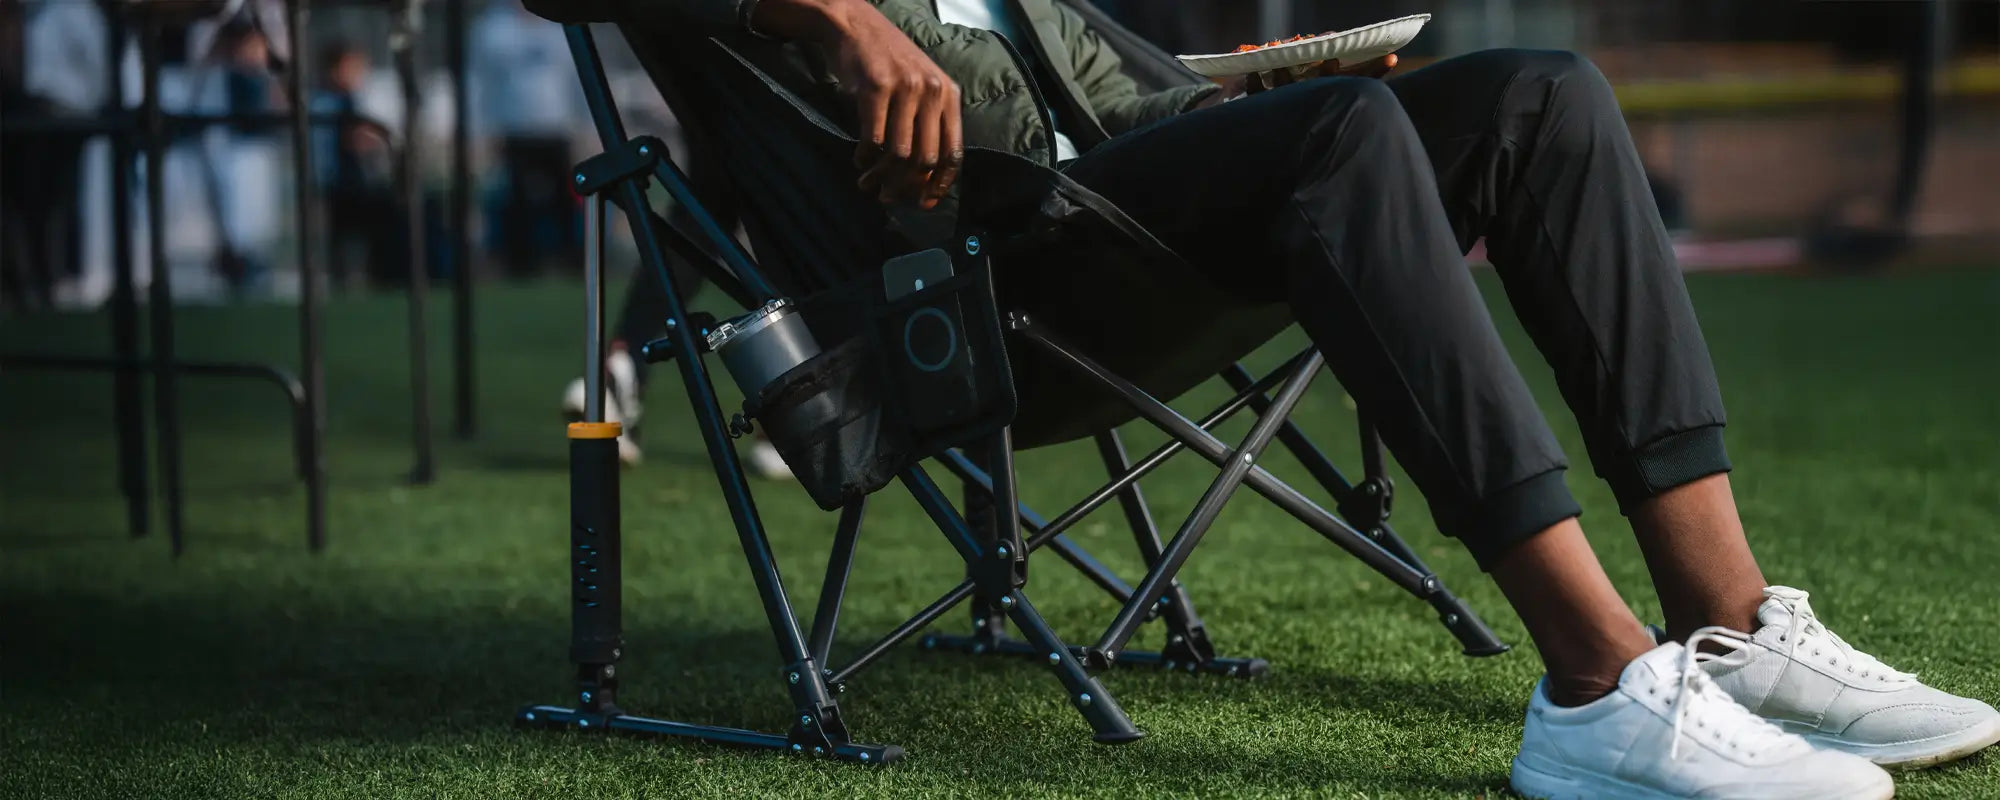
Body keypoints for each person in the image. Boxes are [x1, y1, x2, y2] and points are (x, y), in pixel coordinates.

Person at [524, 0, 2000, 796]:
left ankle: (1725, 622)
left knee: (1542, 96)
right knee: (1350, 141)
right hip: (964, 298)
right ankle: (1597, 689)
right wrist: (831, 13)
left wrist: (1252, 101)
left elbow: (1134, 98)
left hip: (1125, 240)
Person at [471, 0, 585, 279]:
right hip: (515, 130)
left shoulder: (560, 23)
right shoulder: (493, 28)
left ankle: (572, 260)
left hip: (555, 128)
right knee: (517, 200)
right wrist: (482, 129)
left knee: (564, 198)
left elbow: (575, 78)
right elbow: (481, 81)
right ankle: (521, 263)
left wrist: (584, 124)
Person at [311, 41, 411, 290]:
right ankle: (357, 280)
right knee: (348, 235)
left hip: (350, 181)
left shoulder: (343, 99)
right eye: (352, 68)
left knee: (357, 236)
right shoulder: (330, 102)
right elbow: (352, 139)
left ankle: (366, 278)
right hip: (341, 182)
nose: (359, 74)